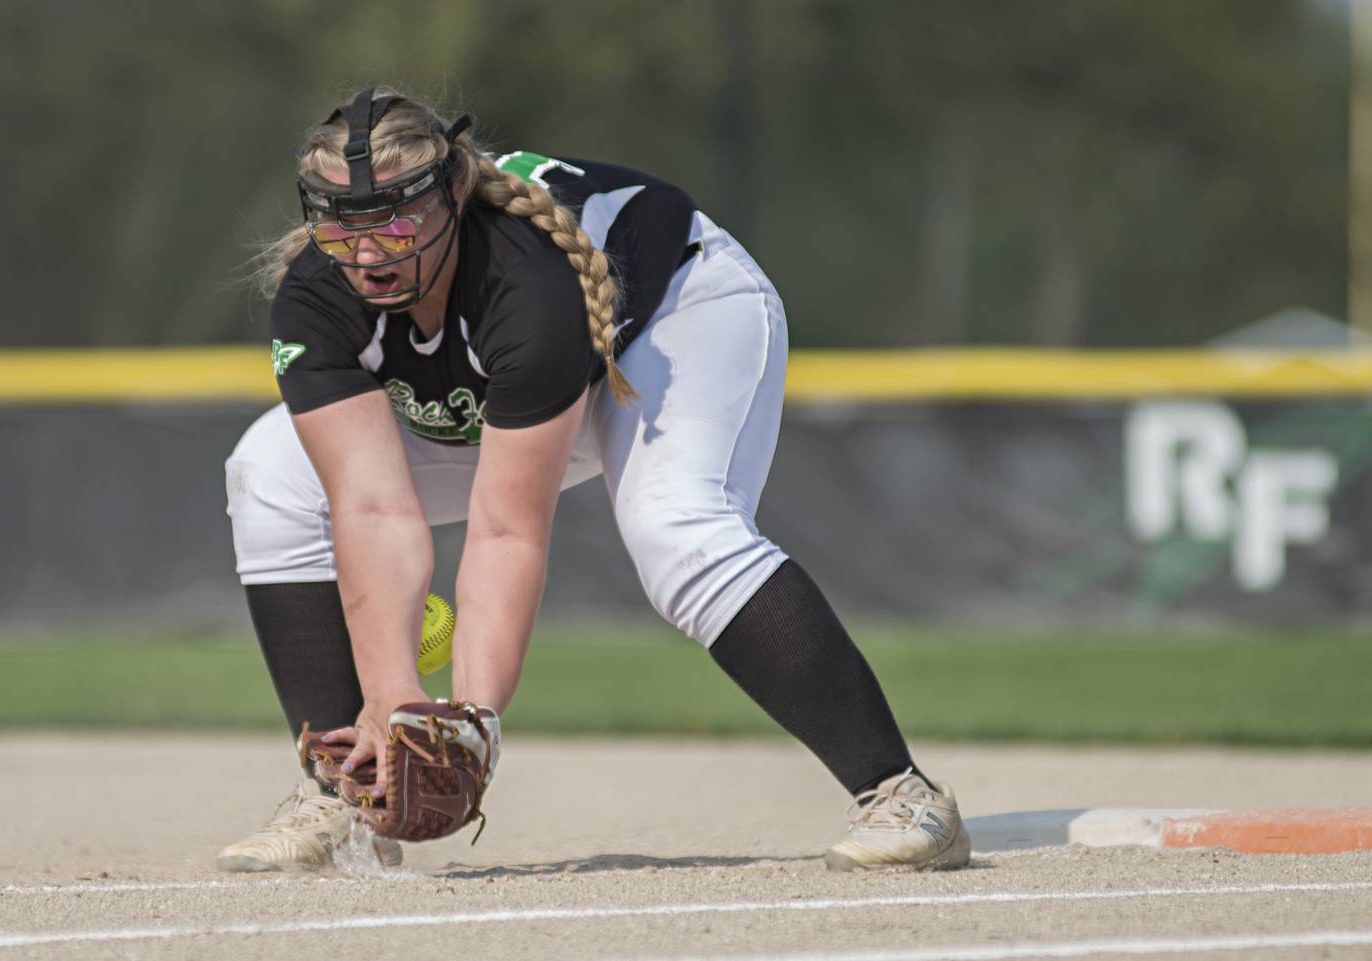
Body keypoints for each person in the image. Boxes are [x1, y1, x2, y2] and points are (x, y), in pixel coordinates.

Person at [218, 87, 970, 874]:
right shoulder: (316, 290)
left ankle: (904, 795)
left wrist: (472, 722)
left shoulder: (524, 278)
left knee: (674, 525)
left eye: (396, 223)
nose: (367, 255)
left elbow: (507, 529)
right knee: (271, 472)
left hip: (678, 316)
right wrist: (395, 707)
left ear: (453, 195)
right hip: (519, 380)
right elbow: (371, 509)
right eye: (342, 226)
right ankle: (345, 802)